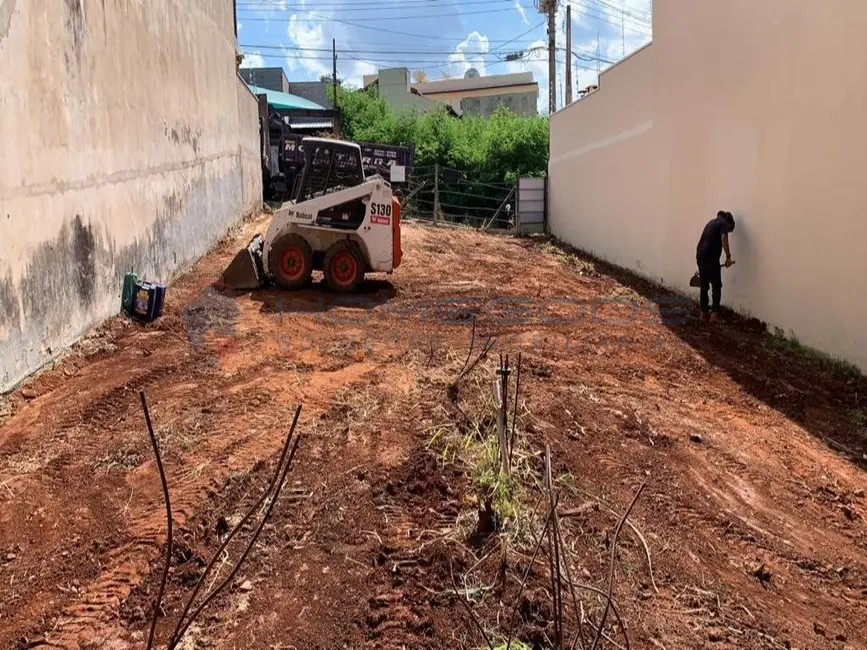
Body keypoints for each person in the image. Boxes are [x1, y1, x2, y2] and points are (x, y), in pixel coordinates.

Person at [695, 210, 735, 321]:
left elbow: (700, 242)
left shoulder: (710, 223)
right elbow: (724, 238)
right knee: (716, 286)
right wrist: (728, 257)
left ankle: (704, 313)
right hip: (711, 260)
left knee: (704, 286)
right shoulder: (723, 224)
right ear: (729, 223)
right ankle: (715, 314)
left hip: (701, 257)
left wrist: (700, 260)